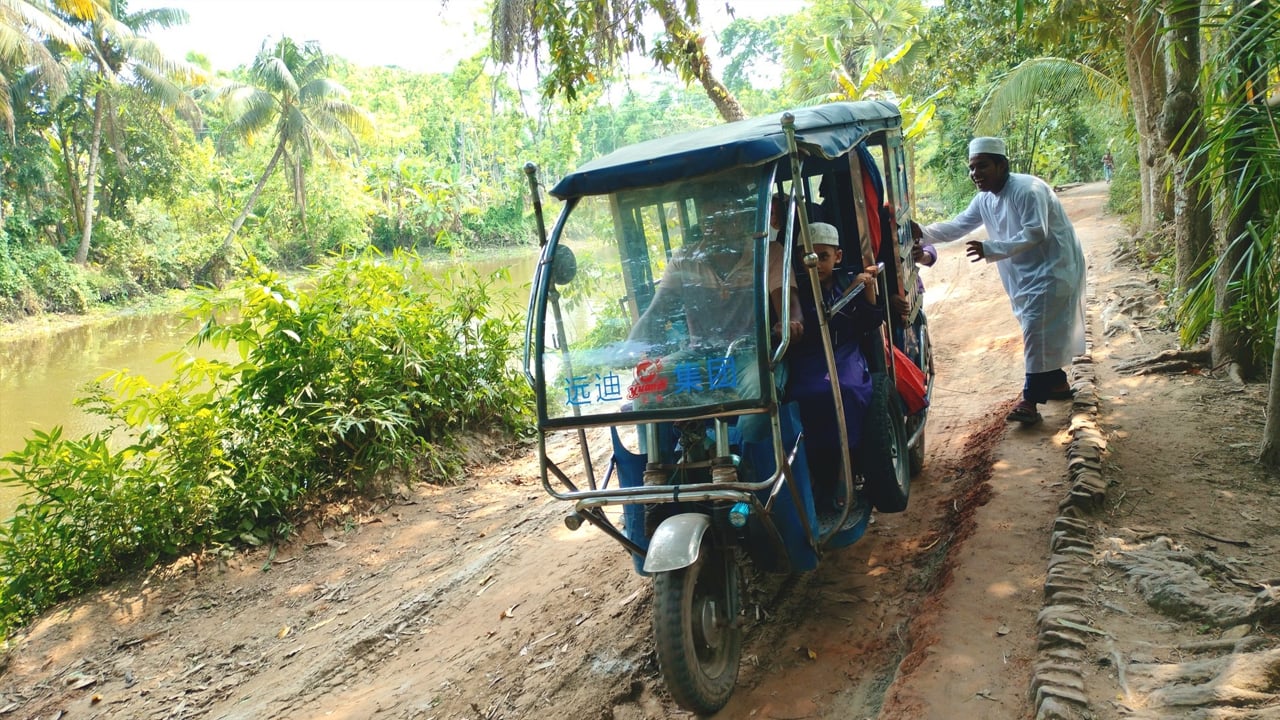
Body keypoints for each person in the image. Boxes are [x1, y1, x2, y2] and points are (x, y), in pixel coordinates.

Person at [912, 137, 1086, 425]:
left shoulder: (1028, 190)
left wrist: (989, 248)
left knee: (1035, 328)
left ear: (1002, 165)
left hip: (1053, 268)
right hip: (1026, 273)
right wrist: (922, 232)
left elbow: (1036, 232)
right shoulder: (985, 198)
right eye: (971, 168)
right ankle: (1057, 383)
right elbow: (958, 225)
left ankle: (1029, 401)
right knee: (1038, 328)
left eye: (982, 166)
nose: (975, 174)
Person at [628, 189, 803, 442]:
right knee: (644, 387)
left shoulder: (768, 253)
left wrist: (792, 323)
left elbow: (790, 304)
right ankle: (657, 469)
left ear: (742, 221)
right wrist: (630, 345)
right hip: (699, 355)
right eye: (710, 222)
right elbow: (657, 310)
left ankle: (744, 465)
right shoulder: (685, 260)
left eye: (727, 219)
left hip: (752, 354)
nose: (718, 229)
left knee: (761, 392)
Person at [787, 222, 883, 502]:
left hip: (844, 353)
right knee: (799, 395)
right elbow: (813, 328)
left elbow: (871, 320)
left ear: (837, 256)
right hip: (810, 356)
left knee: (846, 390)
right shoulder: (796, 292)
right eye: (808, 258)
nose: (814, 265)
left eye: (823, 257)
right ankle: (813, 474)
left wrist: (864, 289)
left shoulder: (846, 280)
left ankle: (847, 468)